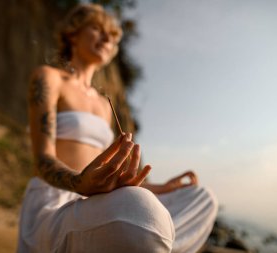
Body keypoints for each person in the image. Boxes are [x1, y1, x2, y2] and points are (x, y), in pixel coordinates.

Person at [17, 4, 218, 253]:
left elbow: (113, 178)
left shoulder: (103, 105)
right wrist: (79, 183)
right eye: (97, 29)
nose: (106, 38)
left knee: (202, 199)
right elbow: (42, 160)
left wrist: (162, 188)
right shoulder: (49, 78)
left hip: (96, 203)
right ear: (73, 33)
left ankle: (149, 240)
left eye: (112, 36)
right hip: (57, 200)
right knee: (137, 207)